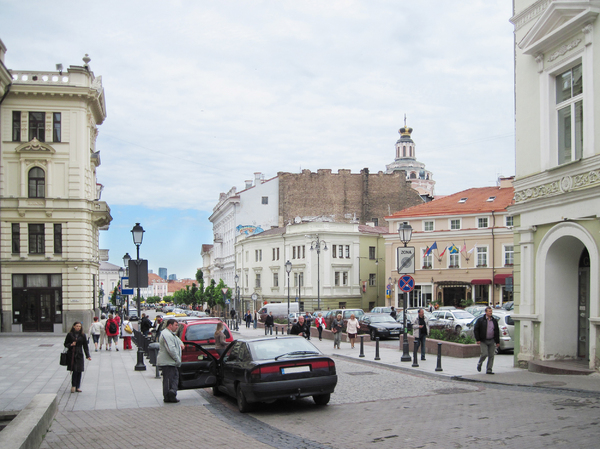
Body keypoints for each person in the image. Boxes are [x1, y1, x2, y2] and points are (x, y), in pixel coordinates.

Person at [157, 319, 184, 403]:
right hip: (168, 361)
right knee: (170, 379)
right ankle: (169, 395)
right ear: (170, 325)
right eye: (176, 325)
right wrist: (177, 359)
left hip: (170, 361)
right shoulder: (166, 334)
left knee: (173, 378)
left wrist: (181, 344)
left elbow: (177, 340)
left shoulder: (171, 334)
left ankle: (170, 394)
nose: (177, 327)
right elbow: (171, 349)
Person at [64, 322, 92, 393]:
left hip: (79, 353)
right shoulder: (70, 335)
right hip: (72, 354)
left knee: (79, 370)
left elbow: (85, 346)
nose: (78, 327)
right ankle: (73, 385)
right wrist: (71, 344)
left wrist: (88, 355)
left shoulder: (82, 335)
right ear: (74, 326)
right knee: (74, 370)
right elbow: (65, 344)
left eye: (79, 326)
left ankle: (78, 386)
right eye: (77, 326)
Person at [473, 306, 500, 374]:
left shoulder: (494, 321)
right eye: (489, 311)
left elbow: (496, 331)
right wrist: (478, 339)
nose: (491, 313)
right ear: (486, 312)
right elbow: (476, 330)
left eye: (491, 311)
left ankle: (489, 369)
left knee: (491, 355)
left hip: (492, 340)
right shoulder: (481, 320)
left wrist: (497, 341)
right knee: (484, 354)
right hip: (483, 340)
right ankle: (480, 363)